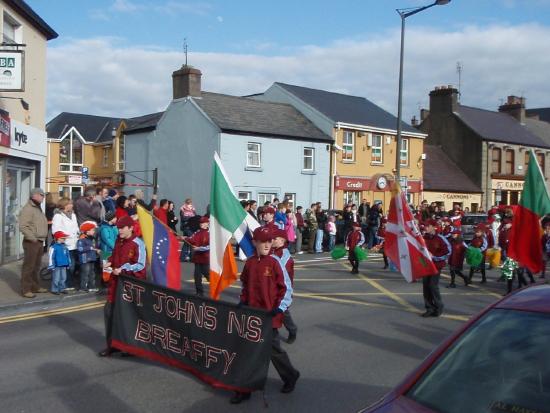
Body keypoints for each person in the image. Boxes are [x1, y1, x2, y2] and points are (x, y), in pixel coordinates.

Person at [231, 227, 300, 404]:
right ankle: (244, 388)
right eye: (263, 241)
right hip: (252, 316)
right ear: (255, 242)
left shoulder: (275, 262)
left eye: (270, 241)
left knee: (273, 352)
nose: (267, 244)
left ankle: (290, 375)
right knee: (248, 352)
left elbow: (286, 289)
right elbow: (246, 285)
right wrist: (243, 300)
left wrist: (279, 309)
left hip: (270, 317)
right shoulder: (250, 263)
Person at [99, 215, 147, 357]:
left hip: (129, 286)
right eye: (118, 228)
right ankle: (112, 345)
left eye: (122, 228)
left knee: (127, 317)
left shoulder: (138, 243)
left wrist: (123, 268)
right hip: (115, 285)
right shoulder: (119, 241)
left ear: (131, 228)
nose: (119, 230)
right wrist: (109, 262)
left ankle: (130, 347)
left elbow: (140, 265)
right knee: (109, 313)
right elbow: (114, 257)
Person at [19, 188, 49, 298]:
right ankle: (26, 289)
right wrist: (32, 238)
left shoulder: (37, 207)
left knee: (36, 266)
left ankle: (35, 287)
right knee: (29, 267)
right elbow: (23, 226)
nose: (43, 197)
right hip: (32, 242)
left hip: (39, 241)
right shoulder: (28, 209)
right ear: (34, 195)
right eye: (41, 195)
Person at [272, 228, 297, 344]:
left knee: (283, 313)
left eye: (274, 238)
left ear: (282, 241)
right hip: (271, 290)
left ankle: (292, 330)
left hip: (281, 291)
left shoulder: (285, 256)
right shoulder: (273, 251)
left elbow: (283, 277)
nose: (271, 240)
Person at [422, 219, 450, 317]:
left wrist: (434, 257)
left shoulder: (440, 238)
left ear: (433, 227)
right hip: (425, 265)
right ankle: (429, 308)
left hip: (436, 265)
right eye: (425, 226)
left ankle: (439, 307)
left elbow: (448, 251)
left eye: (428, 226)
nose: (426, 227)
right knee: (426, 286)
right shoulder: (422, 238)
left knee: (433, 286)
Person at [51, 197, 80, 290]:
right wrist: (66, 237)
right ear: (64, 205)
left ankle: (68, 283)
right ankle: (65, 284)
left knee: (73, 265)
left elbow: (76, 227)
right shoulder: (58, 216)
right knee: (68, 266)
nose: (72, 205)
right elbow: (56, 231)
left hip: (75, 243)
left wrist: (79, 233)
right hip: (65, 244)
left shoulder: (73, 215)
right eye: (70, 204)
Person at [185, 216, 210, 296]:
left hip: (205, 258)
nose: (201, 224)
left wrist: (199, 248)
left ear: (207, 223)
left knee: (207, 274)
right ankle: (199, 292)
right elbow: (192, 239)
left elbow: (209, 246)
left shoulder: (210, 233)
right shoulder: (197, 232)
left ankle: (216, 286)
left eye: (203, 223)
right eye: (201, 223)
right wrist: (185, 238)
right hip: (197, 258)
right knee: (197, 276)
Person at [77, 221, 100, 292]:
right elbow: (80, 249)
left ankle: (91, 287)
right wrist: (90, 248)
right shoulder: (81, 239)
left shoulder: (91, 238)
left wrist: (96, 250)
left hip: (91, 258)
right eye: (92, 230)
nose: (94, 231)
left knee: (92, 273)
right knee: (85, 273)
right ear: (87, 231)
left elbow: (92, 247)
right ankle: (83, 287)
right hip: (85, 259)